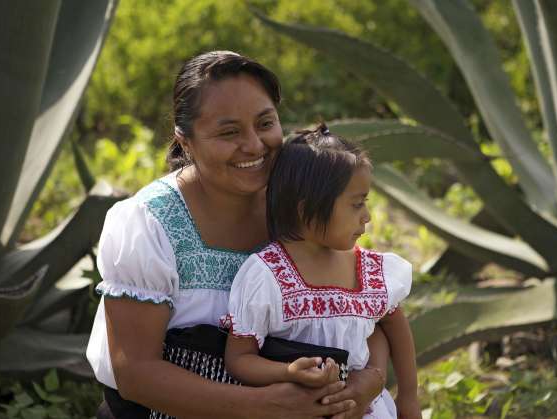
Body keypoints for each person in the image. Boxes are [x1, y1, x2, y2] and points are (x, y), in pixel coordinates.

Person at [85, 51, 388, 418]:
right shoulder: (149, 225)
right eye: (229, 132)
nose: (254, 145)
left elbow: (363, 312)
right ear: (185, 141)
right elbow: (135, 373)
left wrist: (368, 380)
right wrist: (266, 406)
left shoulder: (299, 209)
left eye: (265, 123)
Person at [224, 124, 422, 419]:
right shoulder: (268, 275)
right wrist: (288, 372)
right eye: (356, 205)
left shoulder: (369, 269)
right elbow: (239, 358)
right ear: (306, 210)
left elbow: (396, 328)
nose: (366, 216)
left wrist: (408, 398)